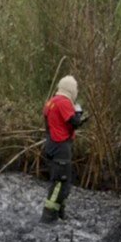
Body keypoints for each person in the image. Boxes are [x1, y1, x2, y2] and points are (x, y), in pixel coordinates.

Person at [41, 75, 88, 223]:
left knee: (62, 181)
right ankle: (49, 217)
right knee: (61, 182)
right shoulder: (64, 102)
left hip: (51, 145)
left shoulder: (50, 102)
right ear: (71, 89)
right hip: (61, 146)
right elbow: (74, 122)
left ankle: (59, 214)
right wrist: (80, 114)